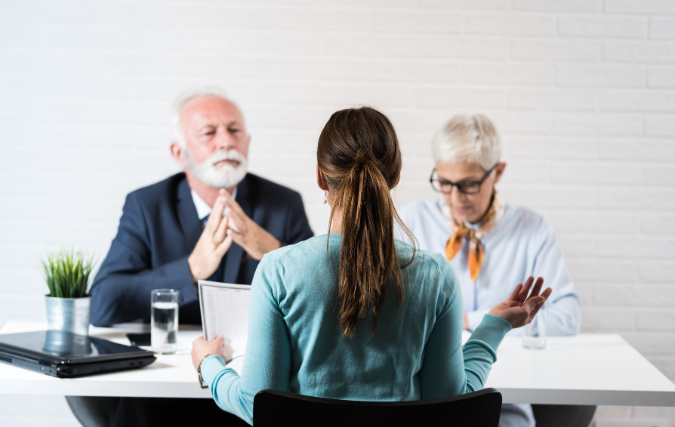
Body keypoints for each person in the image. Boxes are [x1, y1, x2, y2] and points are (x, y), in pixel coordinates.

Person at [190, 107, 552, 425]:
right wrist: (493, 327)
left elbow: (257, 406)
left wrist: (209, 365)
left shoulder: (277, 271)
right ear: (394, 177)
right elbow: (450, 404)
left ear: (320, 176)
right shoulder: (437, 277)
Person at [398, 114, 582, 427]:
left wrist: (473, 321)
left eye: (468, 185)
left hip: (504, 402)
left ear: (498, 172)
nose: (455, 197)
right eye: (444, 183)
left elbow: (566, 316)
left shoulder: (532, 229)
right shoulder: (409, 222)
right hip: (424, 400)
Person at [90, 88, 314, 327]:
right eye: (209, 133)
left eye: (235, 130)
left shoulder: (285, 203)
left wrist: (276, 252)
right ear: (180, 153)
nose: (226, 142)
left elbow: (325, 295)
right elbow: (101, 304)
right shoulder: (146, 206)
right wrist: (191, 269)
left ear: (247, 143)